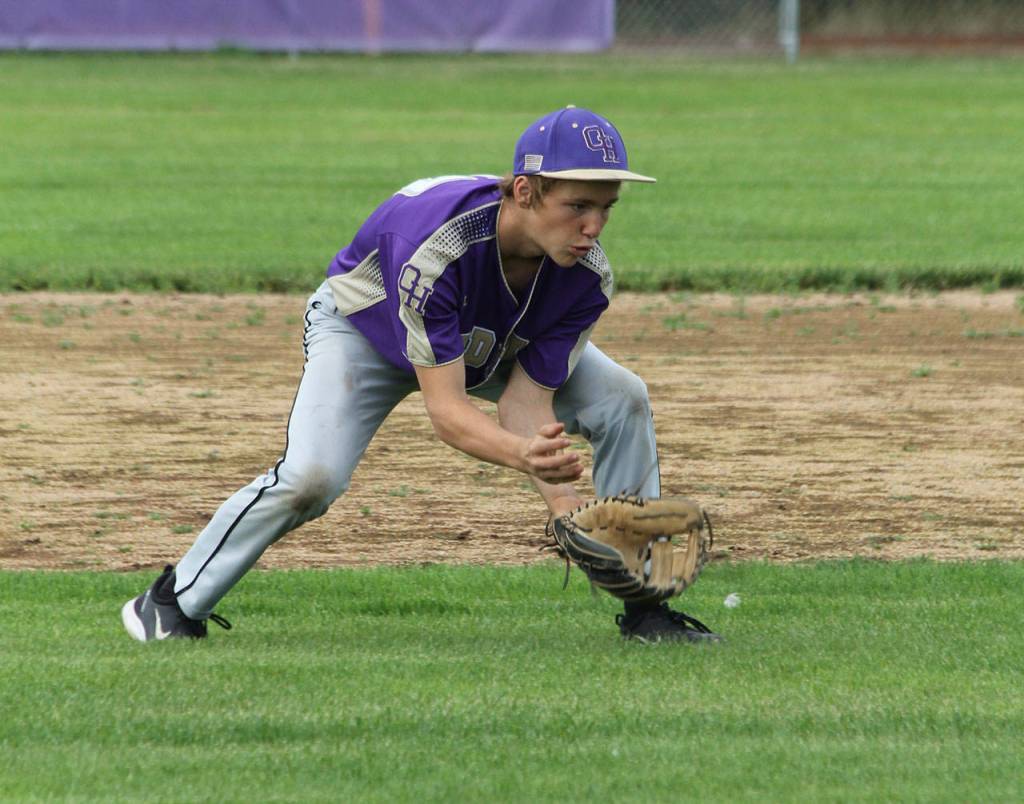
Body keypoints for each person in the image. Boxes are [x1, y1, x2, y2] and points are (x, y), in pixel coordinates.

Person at [121, 105, 721, 644]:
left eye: (606, 207)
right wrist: (524, 459)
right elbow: (449, 413)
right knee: (310, 478)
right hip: (366, 335)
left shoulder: (586, 276)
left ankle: (645, 609)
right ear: (524, 191)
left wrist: (565, 509)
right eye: (578, 206)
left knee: (622, 397)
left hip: (488, 341)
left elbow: (525, 402)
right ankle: (171, 604)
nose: (593, 228)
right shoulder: (438, 246)